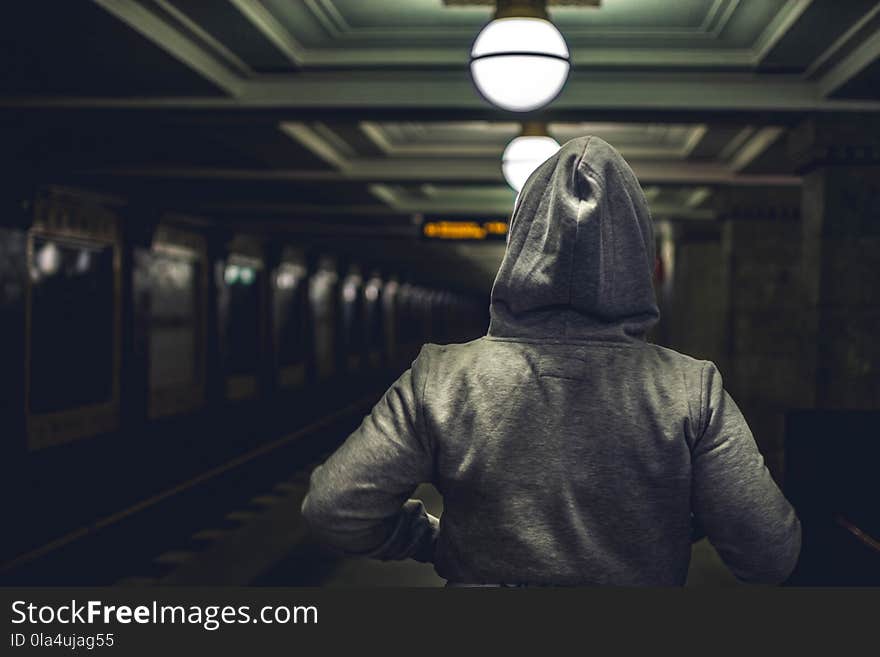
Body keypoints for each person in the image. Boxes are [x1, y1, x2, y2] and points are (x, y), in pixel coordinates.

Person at [301, 136, 801, 586]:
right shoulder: (691, 390)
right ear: (637, 255)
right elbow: (770, 553)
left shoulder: (442, 378)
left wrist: (432, 541)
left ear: (519, 244)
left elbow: (334, 508)